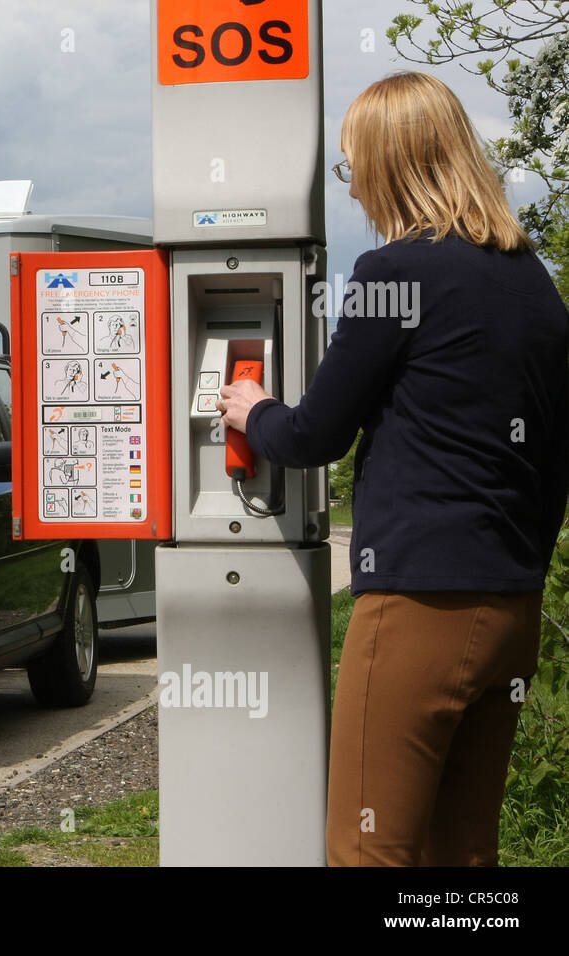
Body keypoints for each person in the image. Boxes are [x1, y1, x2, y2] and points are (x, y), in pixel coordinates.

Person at [217, 71, 569, 866]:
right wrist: (514, 569)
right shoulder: (533, 285)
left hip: (418, 605)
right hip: (509, 611)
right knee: (464, 854)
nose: (355, 189)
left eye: (353, 168)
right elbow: (554, 468)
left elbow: (315, 435)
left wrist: (252, 411)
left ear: (390, 164)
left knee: (368, 851)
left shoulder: (396, 273)